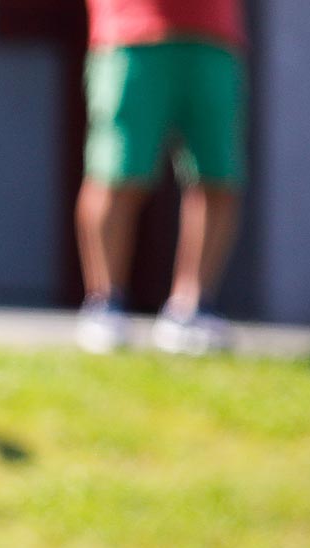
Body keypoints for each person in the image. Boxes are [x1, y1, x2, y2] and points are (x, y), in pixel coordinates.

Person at [73, 0, 246, 356]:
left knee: (217, 176)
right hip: (128, 31)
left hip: (213, 34)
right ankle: (105, 304)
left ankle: (192, 309)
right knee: (116, 172)